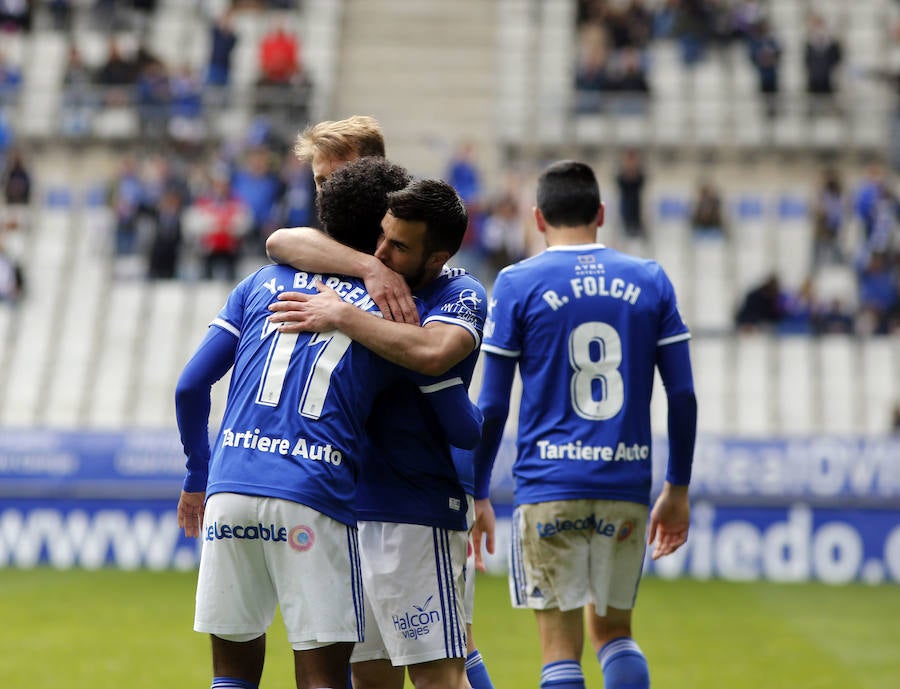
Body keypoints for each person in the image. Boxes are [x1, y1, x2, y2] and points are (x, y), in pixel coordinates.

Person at [175, 156, 483, 689]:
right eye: (382, 240)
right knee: (353, 678)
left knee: (233, 674)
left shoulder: (263, 283)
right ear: (375, 228)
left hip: (244, 486)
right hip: (329, 499)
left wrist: (195, 478)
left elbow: (188, 385)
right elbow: (465, 426)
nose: (385, 252)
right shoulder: (394, 310)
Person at [470, 160, 697, 689]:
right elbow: (682, 393)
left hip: (548, 486)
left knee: (559, 650)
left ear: (538, 218)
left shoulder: (517, 281)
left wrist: (477, 489)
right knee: (615, 632)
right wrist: (678, 488)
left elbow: (493, 406)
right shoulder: (650, 279)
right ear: (600, 212)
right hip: (624, 483)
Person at [266, 177, 490, 689]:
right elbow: (279, 242)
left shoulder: (461, 292)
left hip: (418, 511)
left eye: (398, 246)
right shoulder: (368, 271)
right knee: (370, 681)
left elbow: (433, 354)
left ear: (436, 259)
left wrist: (342, 315)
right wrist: (367, 269)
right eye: (382, 237)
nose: (381, 250)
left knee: (438, 680)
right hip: (349, 509)